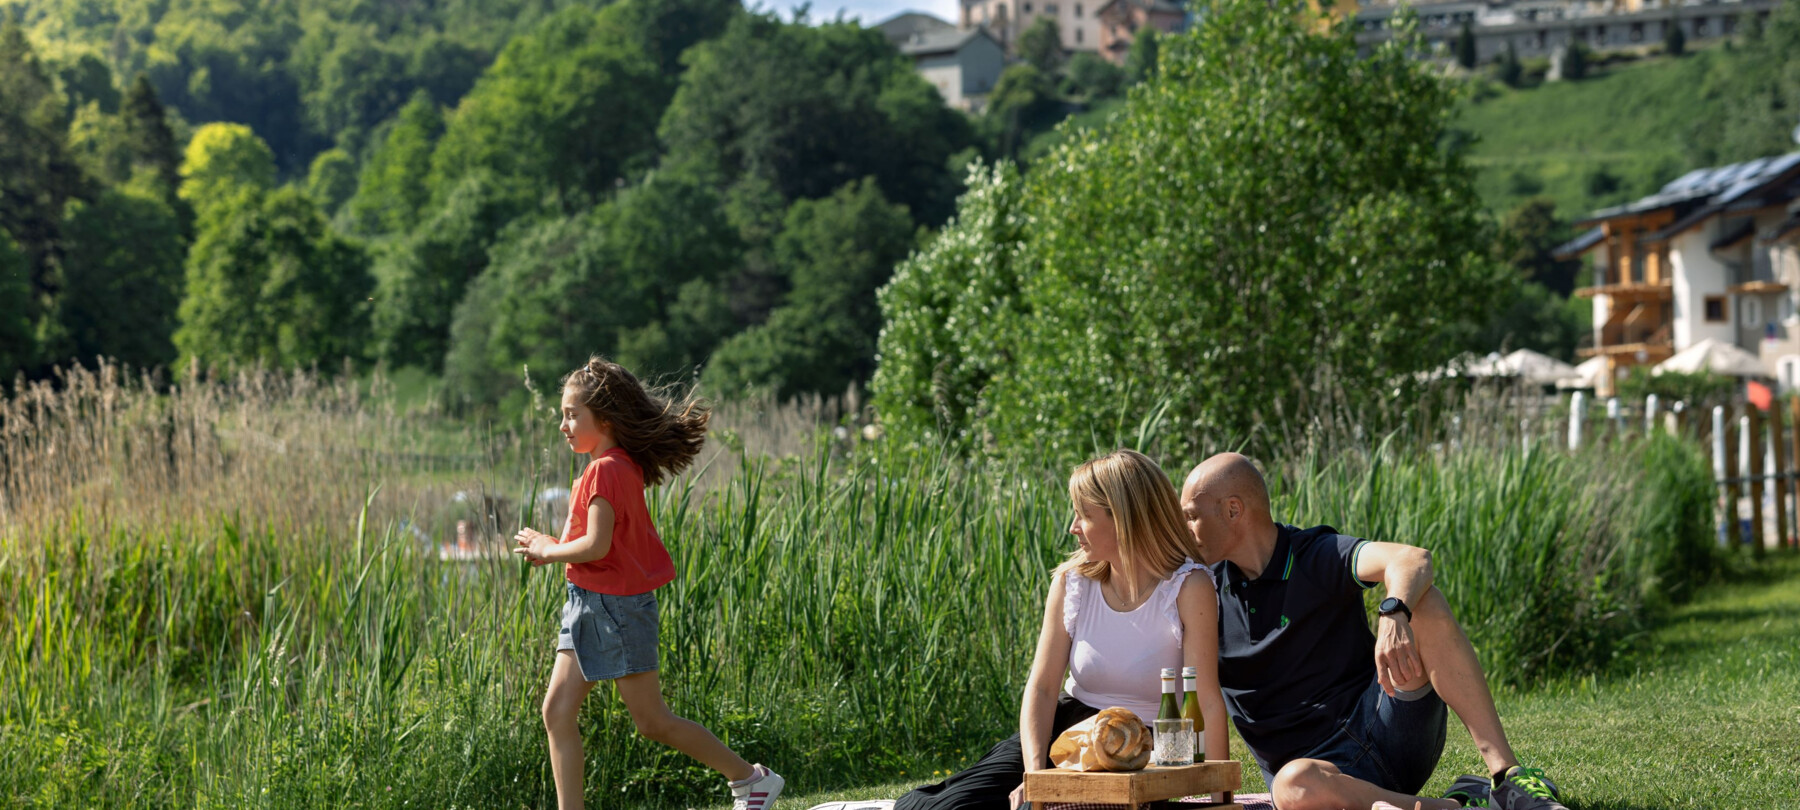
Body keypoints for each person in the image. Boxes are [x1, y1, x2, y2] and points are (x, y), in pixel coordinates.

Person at [1178, 453, 1570, 810]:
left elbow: (1412, 558)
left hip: (1389, 726)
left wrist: (1393, 611)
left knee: (1424, 603)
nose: (1185, 529)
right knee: (1292, 785)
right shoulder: (1204, 592)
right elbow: (1206, 699)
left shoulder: (1315, 553)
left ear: (1233, 510)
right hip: (1315, 778)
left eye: (1191, 515)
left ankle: (1507, 778)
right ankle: (1458, 807)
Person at [512, 357, 784, 810]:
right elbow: (598, 545)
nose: (562, 424)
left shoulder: (606, 469)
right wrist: (552, 544)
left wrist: (547, 550)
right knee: (556, 712)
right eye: (562, 414)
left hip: (615, 609)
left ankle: (749, 779)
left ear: (606, 418)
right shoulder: (610, 466)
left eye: (571, 414)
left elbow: (596, 547)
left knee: (653, 721)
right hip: (586, 603)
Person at [896, 449, 1228, 810]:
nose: (1073, 527)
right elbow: (1041, 688)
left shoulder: (1188, 587)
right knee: (943, 808)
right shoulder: (1074, 583)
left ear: (1124, 519)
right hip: (1068, 727)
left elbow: (1207, 699)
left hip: (1139, 744)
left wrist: (1220, 799)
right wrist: (1035, 774)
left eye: (1084, 515)